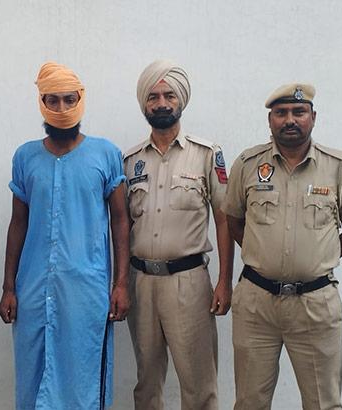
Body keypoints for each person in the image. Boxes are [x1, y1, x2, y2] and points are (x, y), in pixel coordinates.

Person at [223, 83, 342, 410]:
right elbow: (234, 221)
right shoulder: (247, 164)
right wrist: (264, 256)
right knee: (249, 402)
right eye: (281, 113)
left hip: (315, 305)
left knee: (323, 403)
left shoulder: (338, 165)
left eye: (299, 112)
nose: (290, 120)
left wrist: (318, 259)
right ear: (270, 120)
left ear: (313, 117)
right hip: (257, 305)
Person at [0, 61, 130, 410]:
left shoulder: (106, 154)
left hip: (86, 290)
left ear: (80, 100)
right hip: (33, 289)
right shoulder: (25, 157)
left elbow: (120, 220)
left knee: (83, 377)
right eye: (52, 100)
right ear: (41, 102)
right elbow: (18, 223)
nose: (61, 108)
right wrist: (9, 287)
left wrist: (120, 284)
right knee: (33, 376)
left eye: (69, 99)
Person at [124, 59, 234, 410]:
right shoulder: (130, 161)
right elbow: (120, 227)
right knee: (147, 384)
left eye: (169, 95)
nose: (161, 103)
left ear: (181, 100)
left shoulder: (206, 154)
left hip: (188, 282)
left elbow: (224, 219)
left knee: (199, 385)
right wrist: (120, 283)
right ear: (144, 104)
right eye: (153, 97)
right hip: (141, 283)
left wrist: (224, 281)